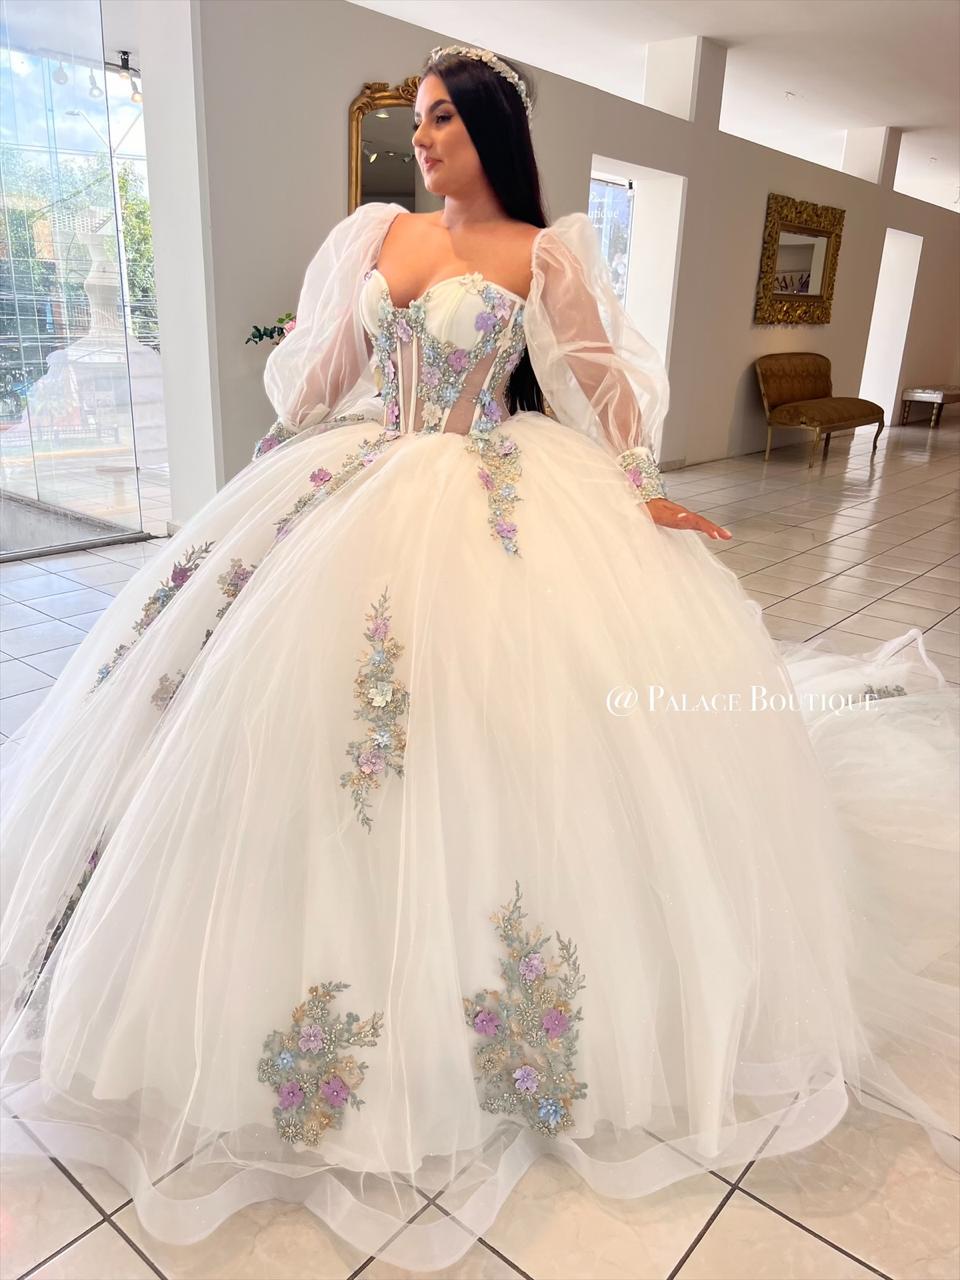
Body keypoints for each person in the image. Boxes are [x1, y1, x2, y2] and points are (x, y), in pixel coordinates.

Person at [1, 44, 957, 1274]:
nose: (425, 137)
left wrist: (643, 492)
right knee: (295, 722)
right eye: (420, 118)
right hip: (359, 478)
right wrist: (272, 459)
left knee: (495, 724)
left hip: (490, 494)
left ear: (491, 130)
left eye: (446, 119)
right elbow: (322, 375)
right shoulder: (380, 233)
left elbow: (602, 388)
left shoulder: (542, 253)